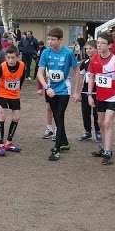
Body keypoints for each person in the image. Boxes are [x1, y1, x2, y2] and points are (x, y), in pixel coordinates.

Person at [37, 27, 78, 161]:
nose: (50, 42)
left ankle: (57, 148)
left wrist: (76, 91)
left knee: (59, 115)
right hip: (51, 90)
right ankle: (64, 142)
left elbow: (77, 71)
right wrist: (46, 87)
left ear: (60, 40)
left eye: (53, 39)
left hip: (64, 90)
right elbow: (39, 73)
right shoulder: (45, 52)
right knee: (57, 117)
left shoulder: (68, 53)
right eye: (48, 39)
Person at [87, 33, 115, 165]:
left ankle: (108, 152)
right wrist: (89, 95)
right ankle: (104, 148)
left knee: (107, 122)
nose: (99, 45)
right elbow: (91, 77)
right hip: (100, 96)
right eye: (98, 43)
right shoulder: (94, 58)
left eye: (102, 43)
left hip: (113, 96)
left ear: (110, 45)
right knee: (100, 122)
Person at [0, 45, 26, 156]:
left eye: (13, 57)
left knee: (16, 117)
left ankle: (8, 142)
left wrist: (18, 89)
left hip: (14, 94)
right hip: (2, 93)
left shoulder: (22, 65)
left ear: (18, 57)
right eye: (8, 58)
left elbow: (22, 78)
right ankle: (1, 144)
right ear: (5, 58)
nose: (11, 60)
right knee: (2, 115)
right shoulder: (2, 67)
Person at [74, 40, 101, 143]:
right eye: (86, 49)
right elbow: (81, 78)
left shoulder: (101, 61)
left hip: (97, 92)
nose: (88, 51)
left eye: (90, 48)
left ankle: (98, 131)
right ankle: (87, 132)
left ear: (96, 49)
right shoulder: (84, 63)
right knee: (85, 113)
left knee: (97, 113)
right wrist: (78, 92)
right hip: (85, 92)